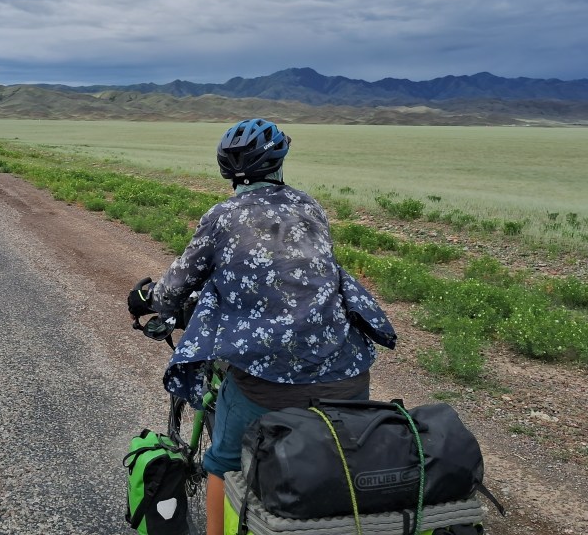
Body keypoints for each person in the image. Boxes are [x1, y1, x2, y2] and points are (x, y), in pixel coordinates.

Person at [128, 118, 397, 534]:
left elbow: (175, 287)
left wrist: (144, 299)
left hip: (268, 382)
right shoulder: (310, 207)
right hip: (349, 371)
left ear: (227, 172)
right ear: (278, 163)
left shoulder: (222, 215)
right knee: (340, 453)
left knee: (222, 461)